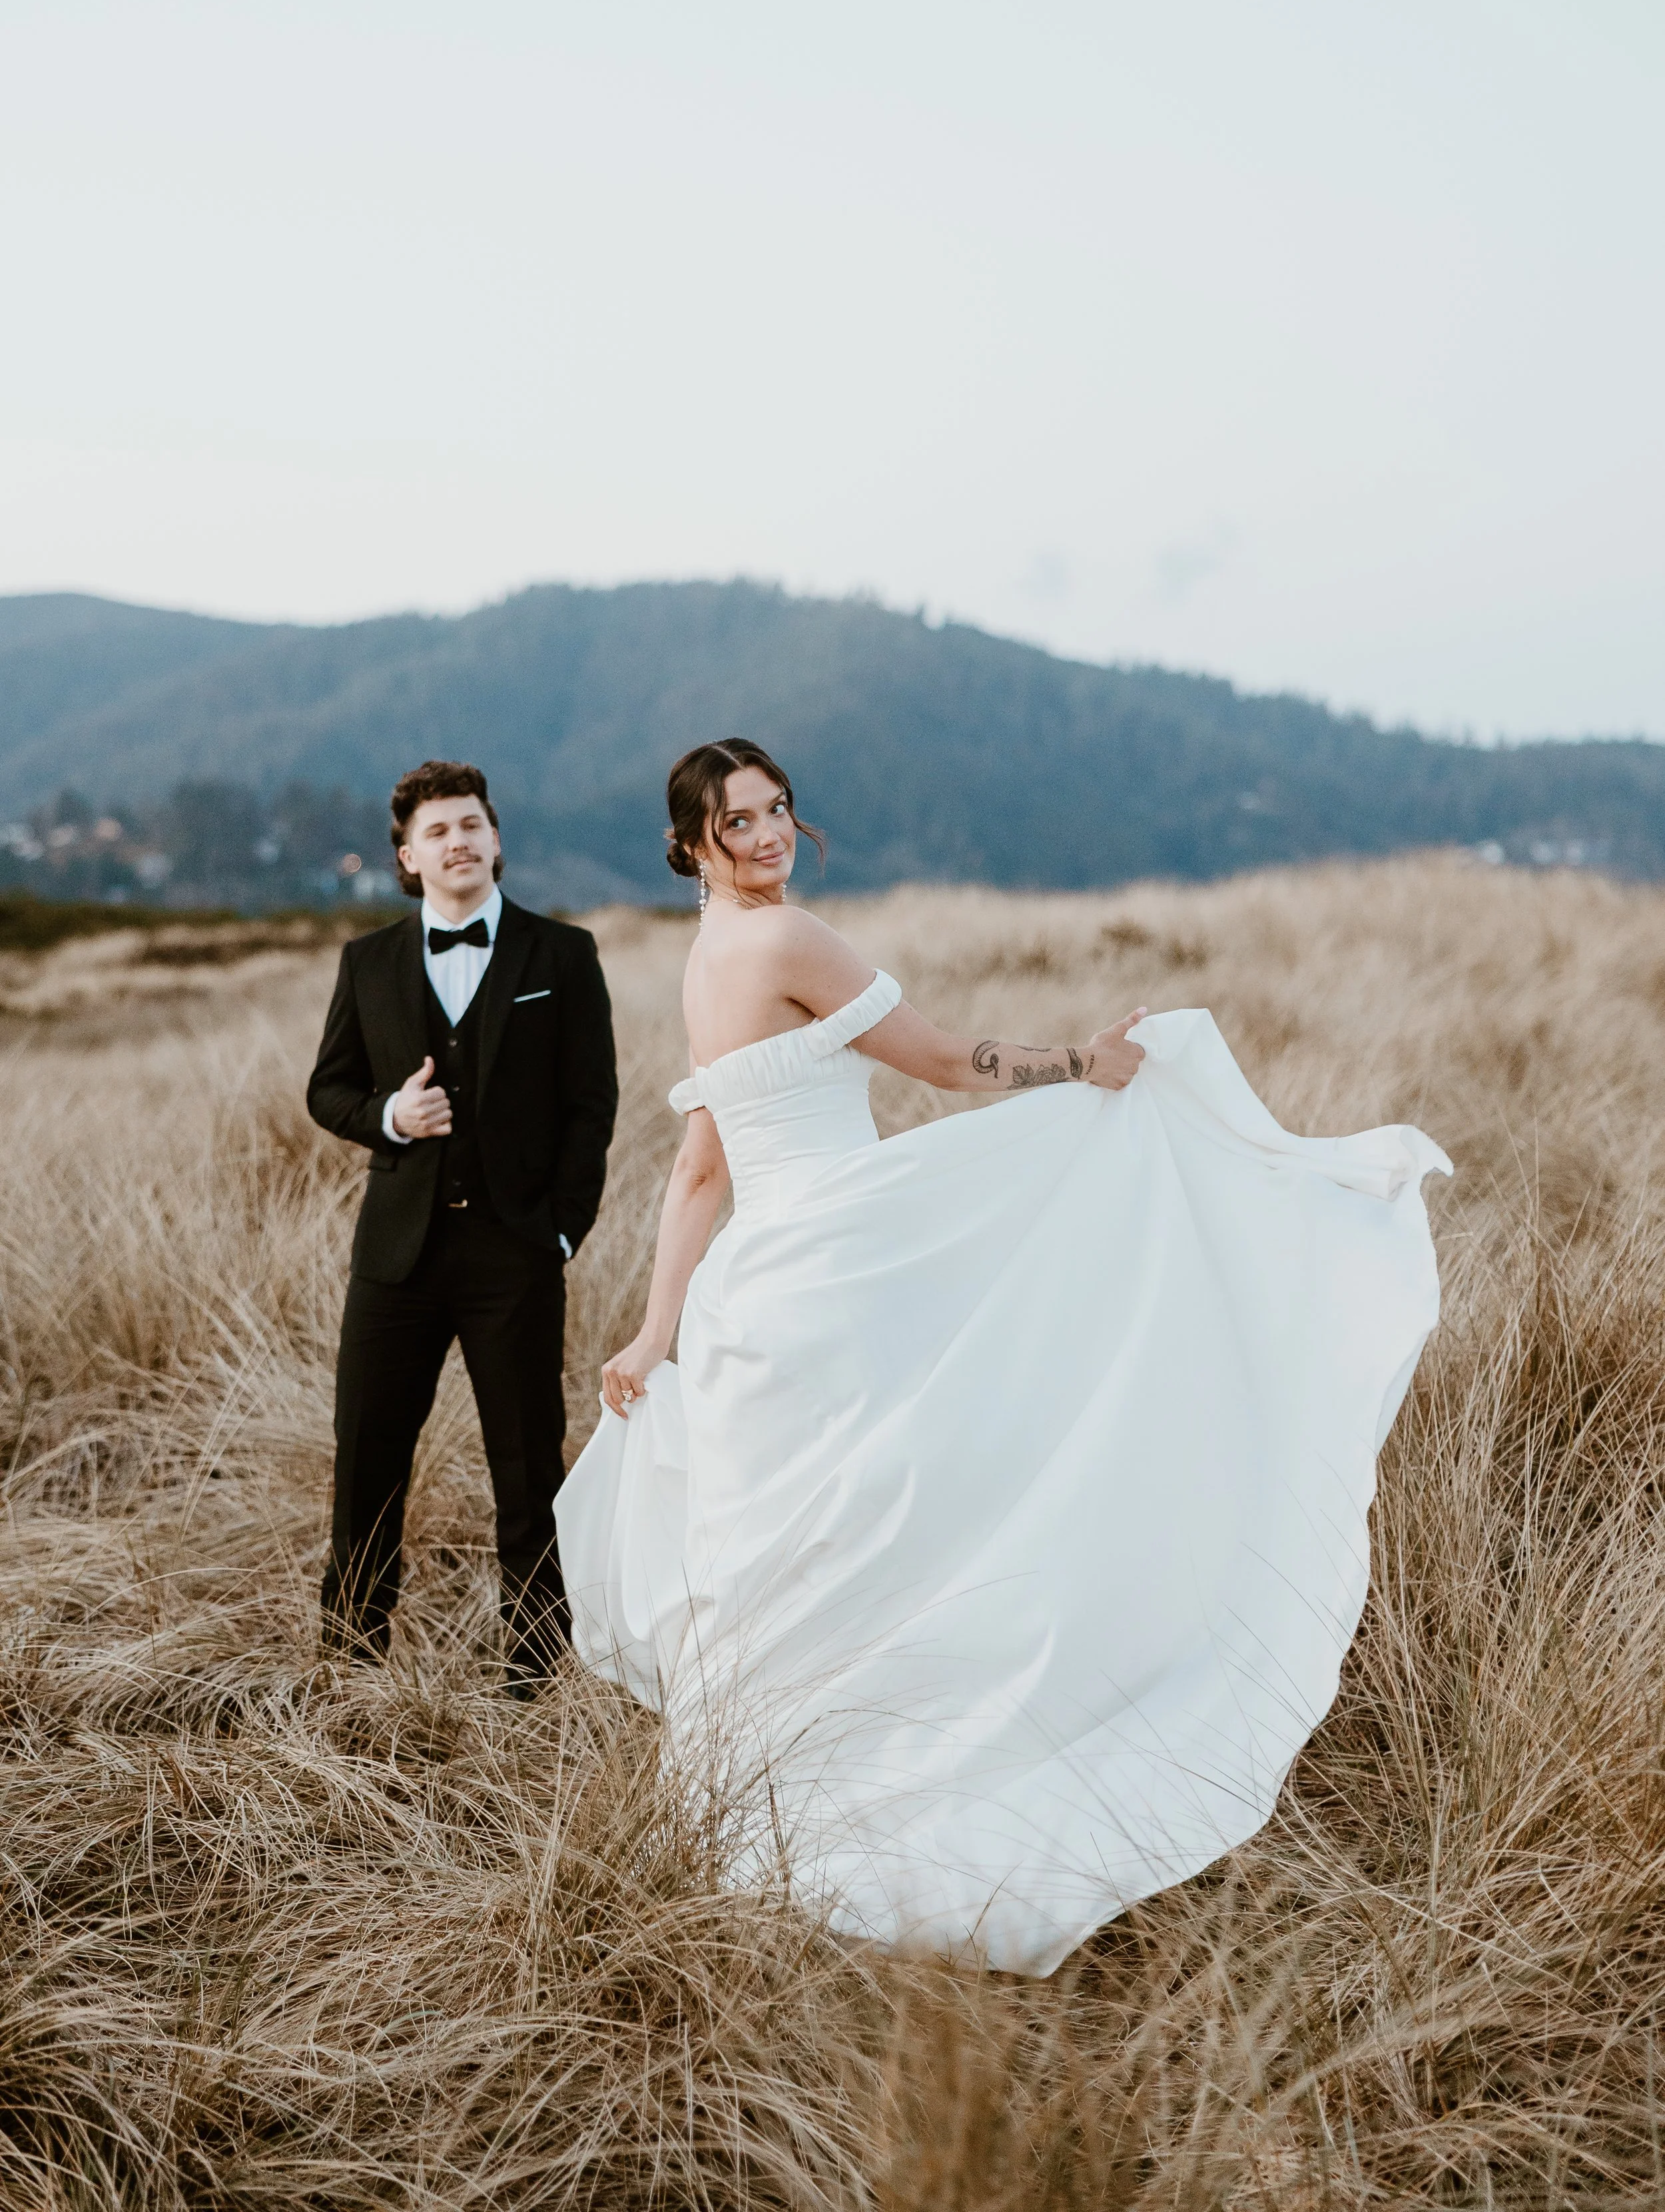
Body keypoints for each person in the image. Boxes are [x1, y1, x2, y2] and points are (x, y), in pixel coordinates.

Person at [555, 737, 1449, 1971]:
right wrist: (1082, 1062)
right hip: (843, 1265)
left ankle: (766, 1789)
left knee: (807, 1532)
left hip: (757, 1287)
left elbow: (704, 1168)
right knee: (901, 1506)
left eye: (777, 810)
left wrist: (663, 1324)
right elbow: (936, 1059)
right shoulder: (787, 939)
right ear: (691, 842)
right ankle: (922, 1757)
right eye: (737, 821)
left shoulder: (706, 958)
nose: (766, 835)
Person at [308, 759, 617, 1695]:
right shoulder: (368, 961)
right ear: (409, 854)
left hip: (515, 1254)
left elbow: (591, 1104)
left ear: (496, 836)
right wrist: (390, 1118)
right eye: (439, 830)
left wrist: (561, 1231)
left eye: (473, 823)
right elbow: (328, 1087)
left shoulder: (563, 955)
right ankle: (352, 1665)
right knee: (368, 1463)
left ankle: (532, 1673)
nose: (460, 840)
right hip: (395, 1257)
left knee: (528, 1470)